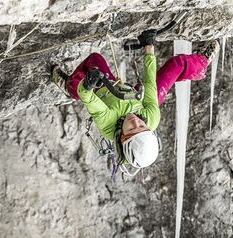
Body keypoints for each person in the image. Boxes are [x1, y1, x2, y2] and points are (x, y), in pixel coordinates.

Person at [51, 31, 220, 171]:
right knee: (176, 65)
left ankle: (69, 88)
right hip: (138, 97)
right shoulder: (151, 118)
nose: (135, 121)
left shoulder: (108, 125)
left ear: (123, 137)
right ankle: (202, 63)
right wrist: (149, 48)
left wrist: (87, 86)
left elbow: (89, 100)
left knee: (95, 60)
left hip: (105, 92)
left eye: (132, 128)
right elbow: (150, 84)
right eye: (142, 126)